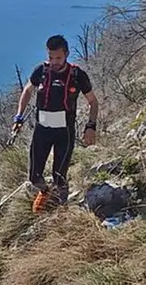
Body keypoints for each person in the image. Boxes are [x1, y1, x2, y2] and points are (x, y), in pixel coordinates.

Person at [12, 34, 99, 213]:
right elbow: (28, 90)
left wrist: (91, 127)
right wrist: (19, 117)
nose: (54, 62)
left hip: (64, 132)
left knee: (59, 176)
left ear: (66, 54)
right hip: (42, 130)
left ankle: (62, 207)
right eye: (50, 57)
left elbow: (93, 102)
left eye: (58, 58)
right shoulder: (41, 71)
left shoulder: (77, 75)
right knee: (34, 176)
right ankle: (44, 192)